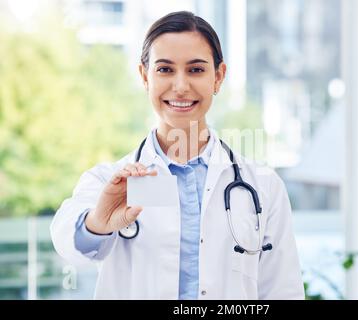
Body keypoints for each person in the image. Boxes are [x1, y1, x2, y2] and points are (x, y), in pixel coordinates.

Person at [50, 11, 304, 300]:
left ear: (218, 77)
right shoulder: (110, 182)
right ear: (145, 77)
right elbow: (70, 244)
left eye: (196, 70)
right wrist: (98, 222)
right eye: (165, 70)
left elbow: (283, 290)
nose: (181, 86)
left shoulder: (263, 186)